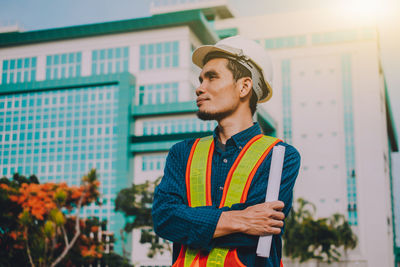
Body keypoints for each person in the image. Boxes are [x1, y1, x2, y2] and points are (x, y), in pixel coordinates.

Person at [152, 35, 301, 267]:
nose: (200, 88)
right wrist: (241, 218)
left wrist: (192, 221)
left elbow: (261, 232)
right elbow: (165, 219)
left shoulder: (280, 156)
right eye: (201, 79)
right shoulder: (182, 153)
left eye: (212, 77)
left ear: (244, 86)